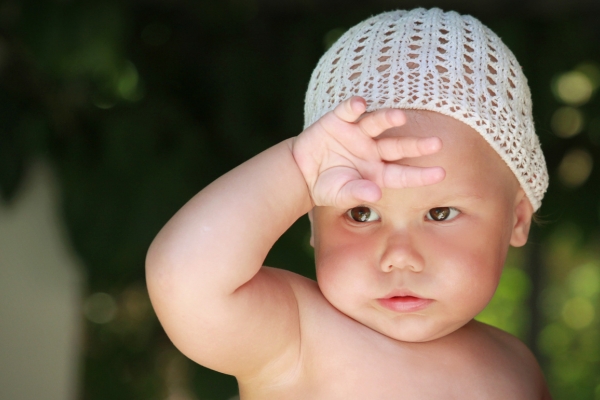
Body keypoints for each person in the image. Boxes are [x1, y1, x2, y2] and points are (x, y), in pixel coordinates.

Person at [146, 8, 552, 399]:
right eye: (361, 213)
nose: (399, 257)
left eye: (439, 213)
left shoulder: (515, 366)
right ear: (310, 214)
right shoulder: (296, 337)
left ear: (517, 219)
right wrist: (297, 171)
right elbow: (183, 280)